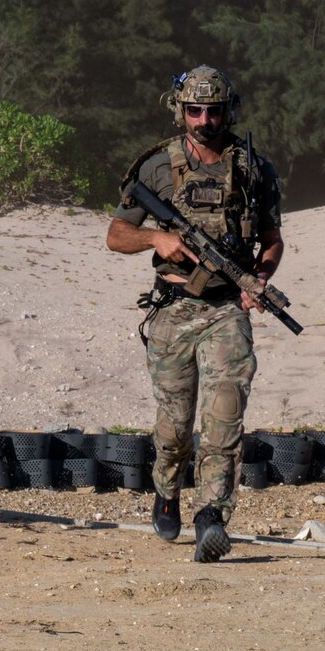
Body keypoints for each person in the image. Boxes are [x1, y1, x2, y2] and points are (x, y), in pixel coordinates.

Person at [105, 65, 284, 563]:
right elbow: (116, 235)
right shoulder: (157, 167)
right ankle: (167, 490)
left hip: (227, 309)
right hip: (173, 308)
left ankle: (211, 517)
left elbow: (272, 240)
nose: (206, 120)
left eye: (215, 110)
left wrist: (257, 280)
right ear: (180, 110)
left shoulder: (254, 168)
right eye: (196, 110)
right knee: (175, 425)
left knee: (225, 417)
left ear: (229, 111)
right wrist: (156, 238)